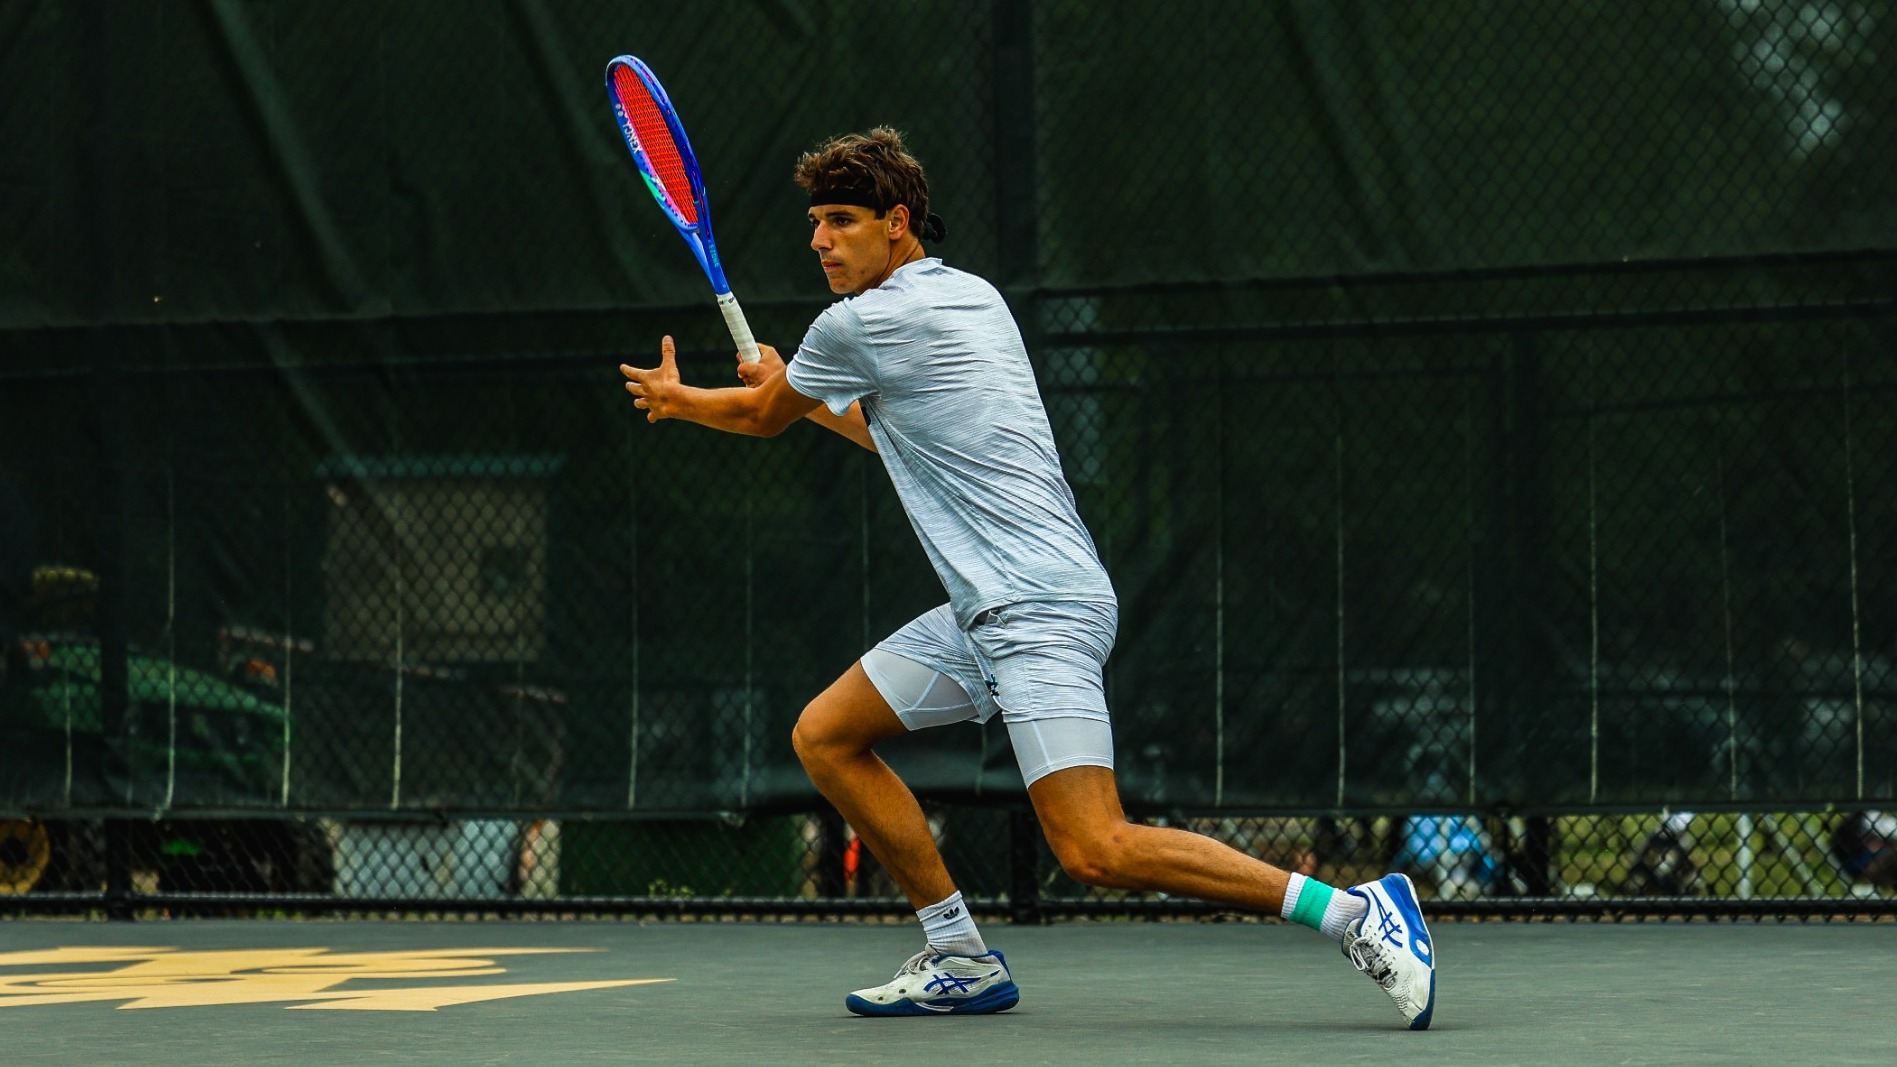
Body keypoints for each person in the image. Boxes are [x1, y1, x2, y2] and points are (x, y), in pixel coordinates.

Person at [618, 128, 1435, 1028]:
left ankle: (1356, 913)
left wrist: (689, 399)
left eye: (841, 222)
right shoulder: (970, 297)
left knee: (1093, 846)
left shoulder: (858, 323)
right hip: (996, 609)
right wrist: (798, 391)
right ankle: (959, 952)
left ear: (897, 224)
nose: (820, 242)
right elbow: (887, 431)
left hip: (1034, 609)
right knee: (827, 734)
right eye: (815, 223)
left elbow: (766, 417)